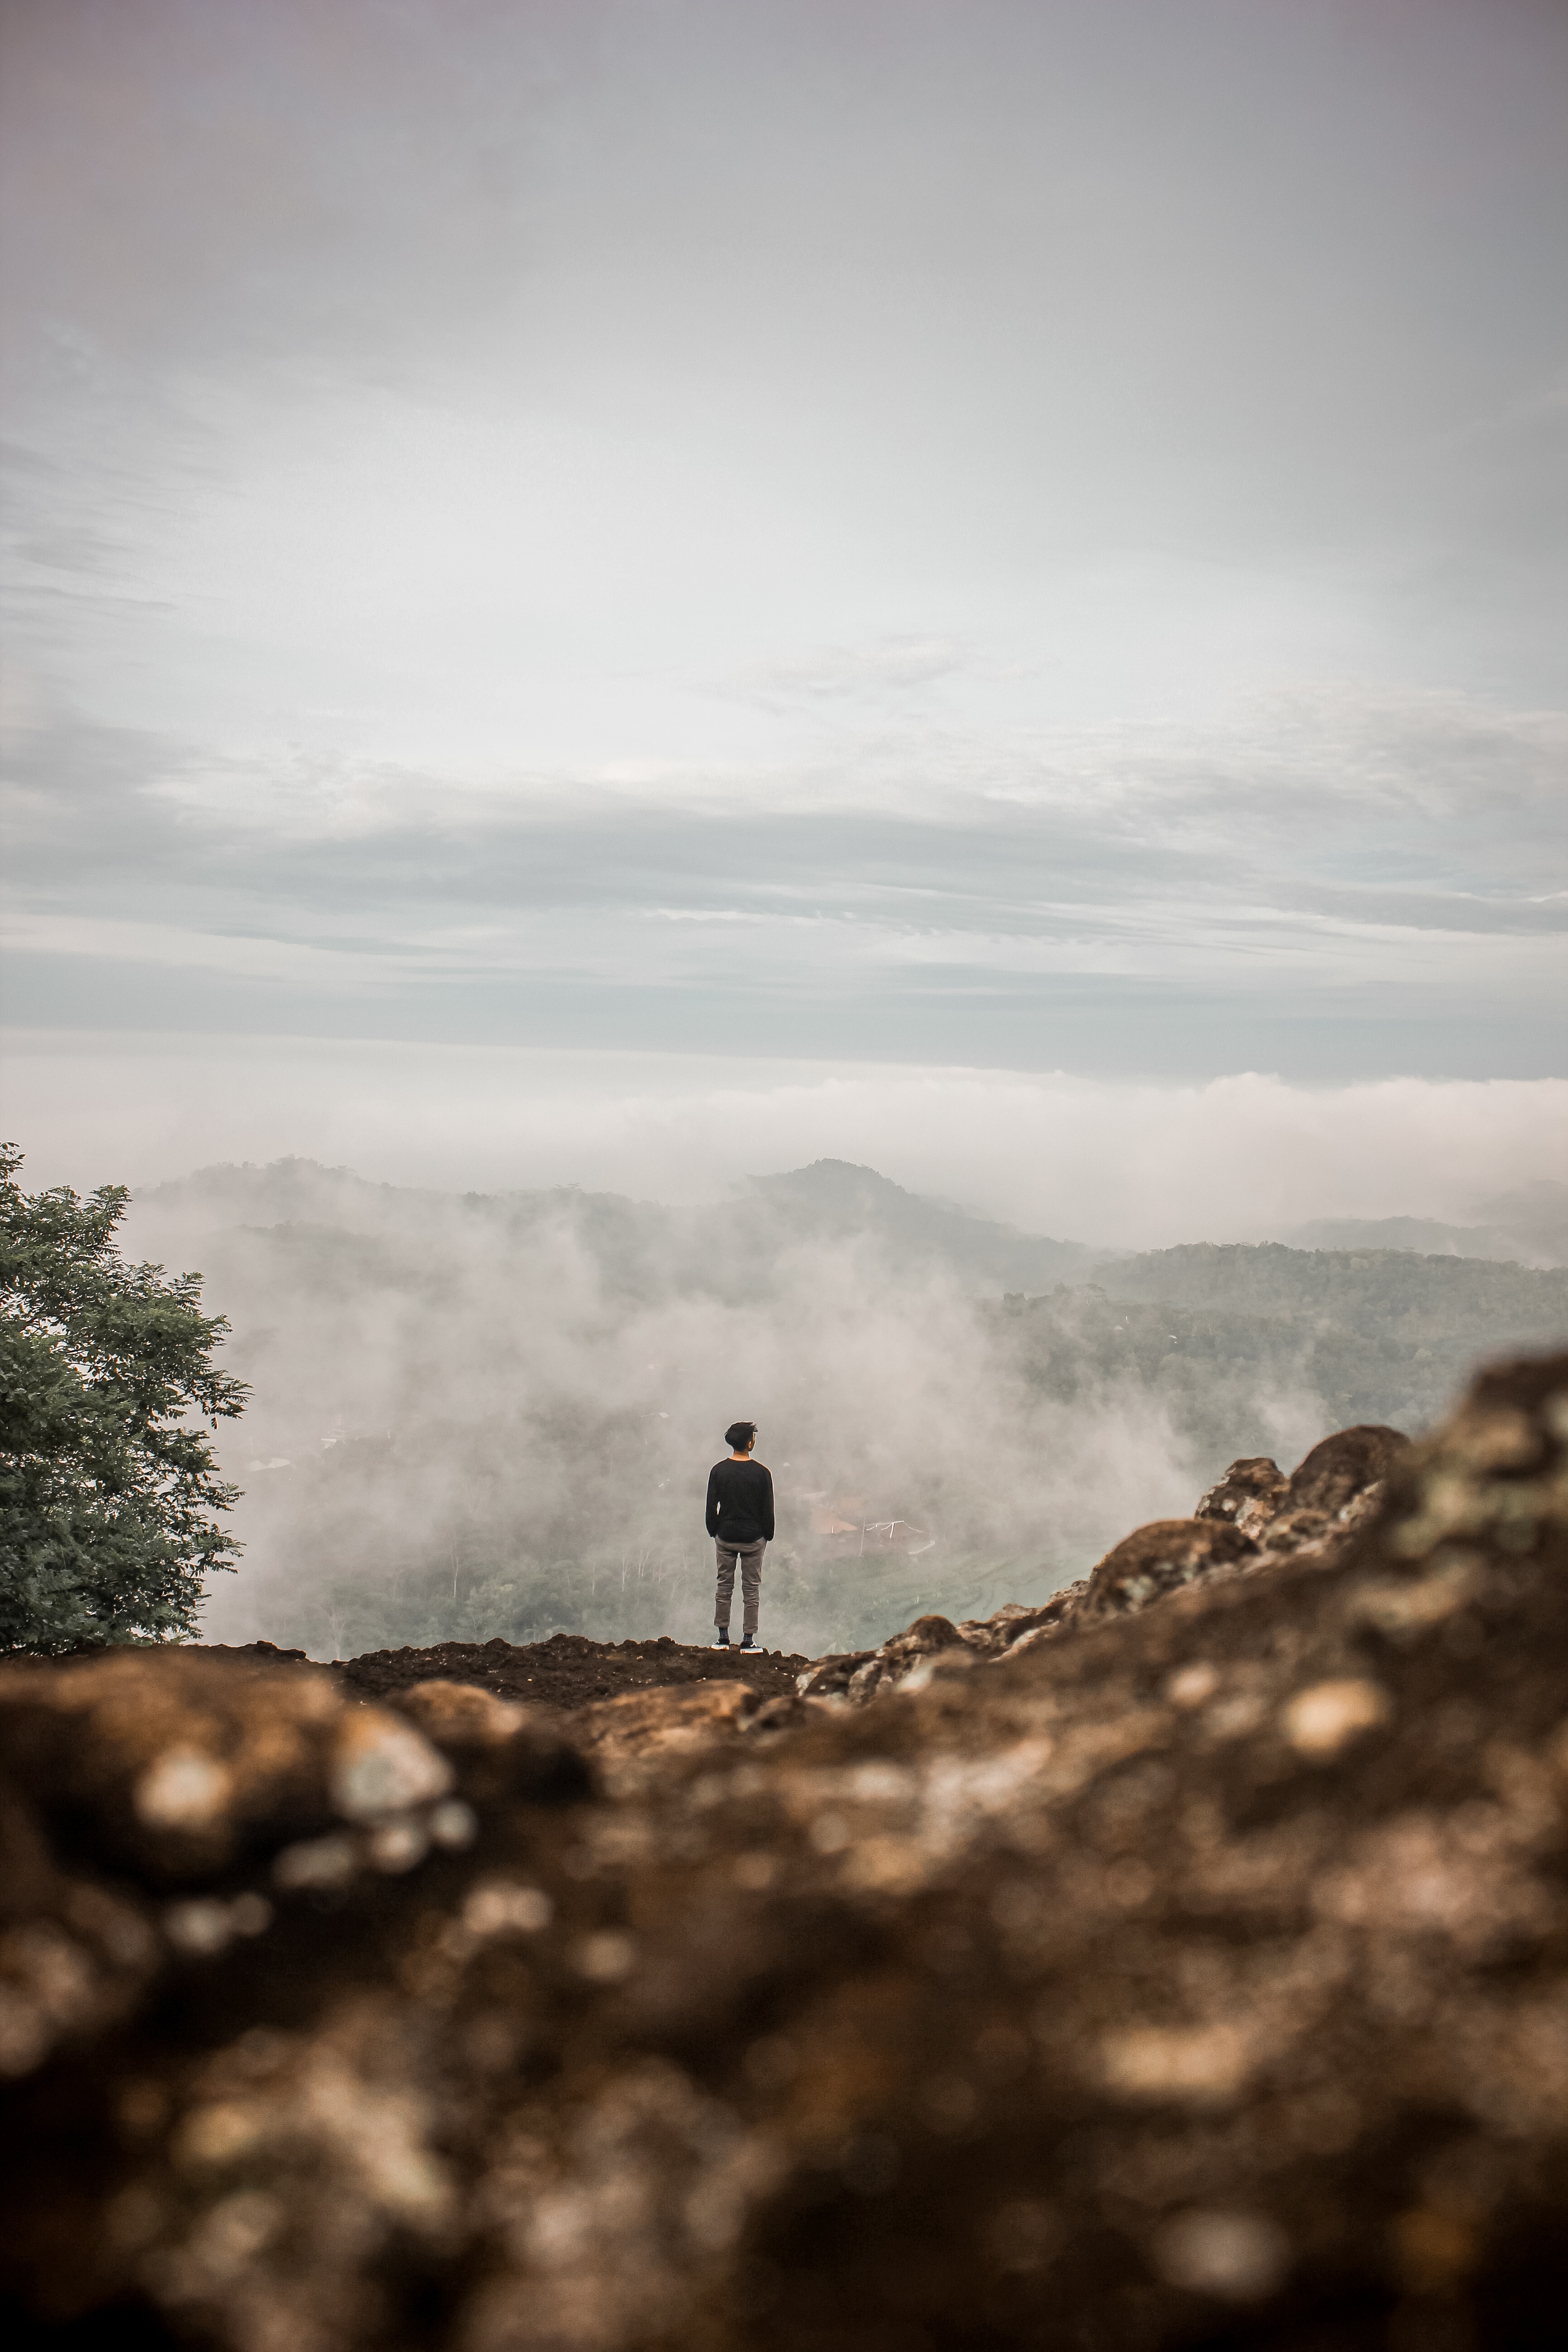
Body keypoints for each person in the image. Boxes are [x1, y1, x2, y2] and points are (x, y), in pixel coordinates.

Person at [706, 1420, 774, 1650]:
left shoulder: (718, 1471)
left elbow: (711, 1507)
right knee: (751, 1590)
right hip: (754, 1539)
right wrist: (768, 1536)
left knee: (724, 1587)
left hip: (725, 1536)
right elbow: (768, 1511)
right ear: (749, 1442)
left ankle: (722, 1638)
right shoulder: (763, 1473)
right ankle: (748, 1641)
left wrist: (714, 1530)